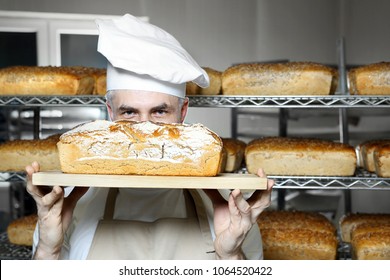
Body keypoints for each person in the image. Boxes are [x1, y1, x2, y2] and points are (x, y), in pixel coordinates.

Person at [25, 14, 274, 260]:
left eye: (159, 112)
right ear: (110, 113)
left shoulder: (232, 212)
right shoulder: (68, 206)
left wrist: (230, 256)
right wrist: (49, 249)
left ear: (183, 112)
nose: (144, 130)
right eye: (129, 112)